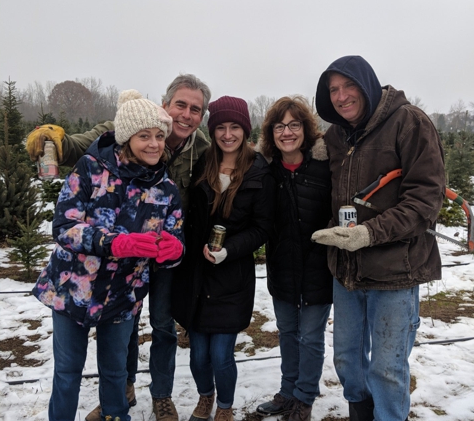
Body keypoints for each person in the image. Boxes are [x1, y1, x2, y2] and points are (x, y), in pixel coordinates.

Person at [26, 74, 211, 421]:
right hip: (73, 289)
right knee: (67, 372)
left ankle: (118, 414)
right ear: (127, 137)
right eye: (145, 136)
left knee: (114, 374)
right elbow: (64, 226)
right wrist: (115, 243)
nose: (155, 144)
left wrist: (176, 251)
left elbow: (175, 237)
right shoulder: (91, 169)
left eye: (159, 136)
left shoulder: (166, 188)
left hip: (123, 295)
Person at [311, 56, 445, 421]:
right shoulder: (336, 136)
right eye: (333, 90)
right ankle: (361, 411)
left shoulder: (408, 122)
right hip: (348, 271)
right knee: (346, 359)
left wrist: (370, 234)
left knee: (387, 367)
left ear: (366, 84)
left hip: (396, 270)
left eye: (347, 86)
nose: (340, 97)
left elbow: (424, 200)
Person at [172, 96, 276, 421]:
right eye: (220, 127)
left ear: (245, 130)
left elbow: (262, 228)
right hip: (197, 275)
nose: (227, 134)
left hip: (232, 277)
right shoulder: (203, 164)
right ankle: (205, 397)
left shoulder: (259, 172)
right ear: (212, 130)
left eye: (234, 127)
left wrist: (229, 250)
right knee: (198, 355)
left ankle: (225, 407)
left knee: (220, 354)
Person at [255, 96, 333, 421]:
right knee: (287, 331)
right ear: (271, 132)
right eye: (280, 126)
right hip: (282, 268)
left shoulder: (323, 169)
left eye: (294, 124)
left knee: (311, 336)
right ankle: (287, 392)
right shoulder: (266, 172)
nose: (287, 132)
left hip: (317, 270)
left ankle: (304, 398)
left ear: (305, 129)